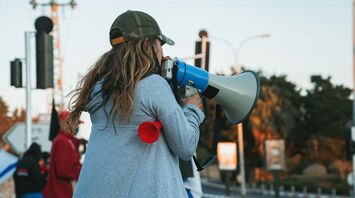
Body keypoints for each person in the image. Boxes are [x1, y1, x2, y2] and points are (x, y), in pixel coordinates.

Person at [64, 10, 205, 198]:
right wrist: (193, 109)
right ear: (147, 45)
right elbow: (186, 146)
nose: (162, 52)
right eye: (159, 44)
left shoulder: (98, 89)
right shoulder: (153, 86)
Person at [43, 111, 82, 198]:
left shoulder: (66, 140)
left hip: (62, 192)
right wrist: (84, 171)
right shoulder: (63, 141)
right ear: (65, 123)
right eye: (75, 123)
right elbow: (63, 170)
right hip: (61, 193)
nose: (77, 126)